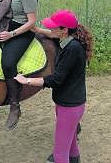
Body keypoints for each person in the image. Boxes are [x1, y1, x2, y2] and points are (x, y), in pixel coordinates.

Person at [14, 9, 93, 163]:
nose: (50, 29)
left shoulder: (72, 49)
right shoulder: (67, 41)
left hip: (70, 106)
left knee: (59, 155)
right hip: (68, 103)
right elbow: (50, 34)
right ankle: (75, 159)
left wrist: (27, 81)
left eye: (53, 27)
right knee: (71, 145)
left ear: (64, 30)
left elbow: (56, 79)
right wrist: (34, 28)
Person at [0, 0, 38, 130]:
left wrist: (11, 34)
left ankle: (14, 106)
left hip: (23, 31)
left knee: (8, 62)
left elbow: (32, 21)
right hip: (10, 26)